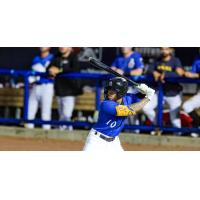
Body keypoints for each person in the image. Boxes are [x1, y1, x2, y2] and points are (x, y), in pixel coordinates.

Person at [83, 77, 155, 151]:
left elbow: (140, 97)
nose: (108, 93)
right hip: (96, 140)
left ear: (121, 93)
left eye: (112, 91)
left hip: (114, 142)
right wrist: (148, 97)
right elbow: (129, 110)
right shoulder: (106, 104)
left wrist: (144, 90)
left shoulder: (128, 98)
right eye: (108, 90)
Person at [142, 47, 185, 135]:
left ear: (171, 50)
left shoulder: (175, 60)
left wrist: (166, 75)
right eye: (162, 49)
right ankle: (159, 124)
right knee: (146, 108)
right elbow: (147, 69)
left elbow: (180, 73)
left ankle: (178, 136)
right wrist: (153, 72)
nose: (164, 51)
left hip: (173, 92)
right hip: (159, 91)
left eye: (166, 49)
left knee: (174, 118)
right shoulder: (157, 60)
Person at [48, 47, 82, 131]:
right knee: (62, 114)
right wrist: (50, 70)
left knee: (67, 114)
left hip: (70, 91)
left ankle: (68, 131)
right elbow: (49, 67)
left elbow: (74, 69)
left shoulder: (74, 57)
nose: (62, 47)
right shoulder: (57, 56)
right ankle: (63, 131)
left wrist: (59, 70)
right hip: (59, 89)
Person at [26, 47, 54, 130]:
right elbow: (31, 74)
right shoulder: (36, 59)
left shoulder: (53, 58)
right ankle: (27, 132)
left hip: (47, 86)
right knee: (30, 110)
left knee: (45, 112)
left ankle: (46, 133)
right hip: (35, 86)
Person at [183, 58, 200, 137]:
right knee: (187, 106)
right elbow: (191, 74)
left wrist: (196, 75)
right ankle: (198, 125)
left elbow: (195, 75)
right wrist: (185, 73)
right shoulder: (197, 60)